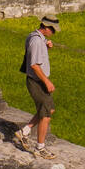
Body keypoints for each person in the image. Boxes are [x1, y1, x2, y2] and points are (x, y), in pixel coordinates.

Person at [14, 15, 60, 155]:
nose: (54, 32)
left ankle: (25, 131)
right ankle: (40, 148)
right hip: (37, 81)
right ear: (45, 27)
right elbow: (34, 65)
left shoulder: (38, 38)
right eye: (53, 29)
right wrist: (47, 81)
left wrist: (47, 46)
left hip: (39, 80)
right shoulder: (36, 41)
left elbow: (37, 52)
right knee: (46, 115)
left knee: (49, 109)